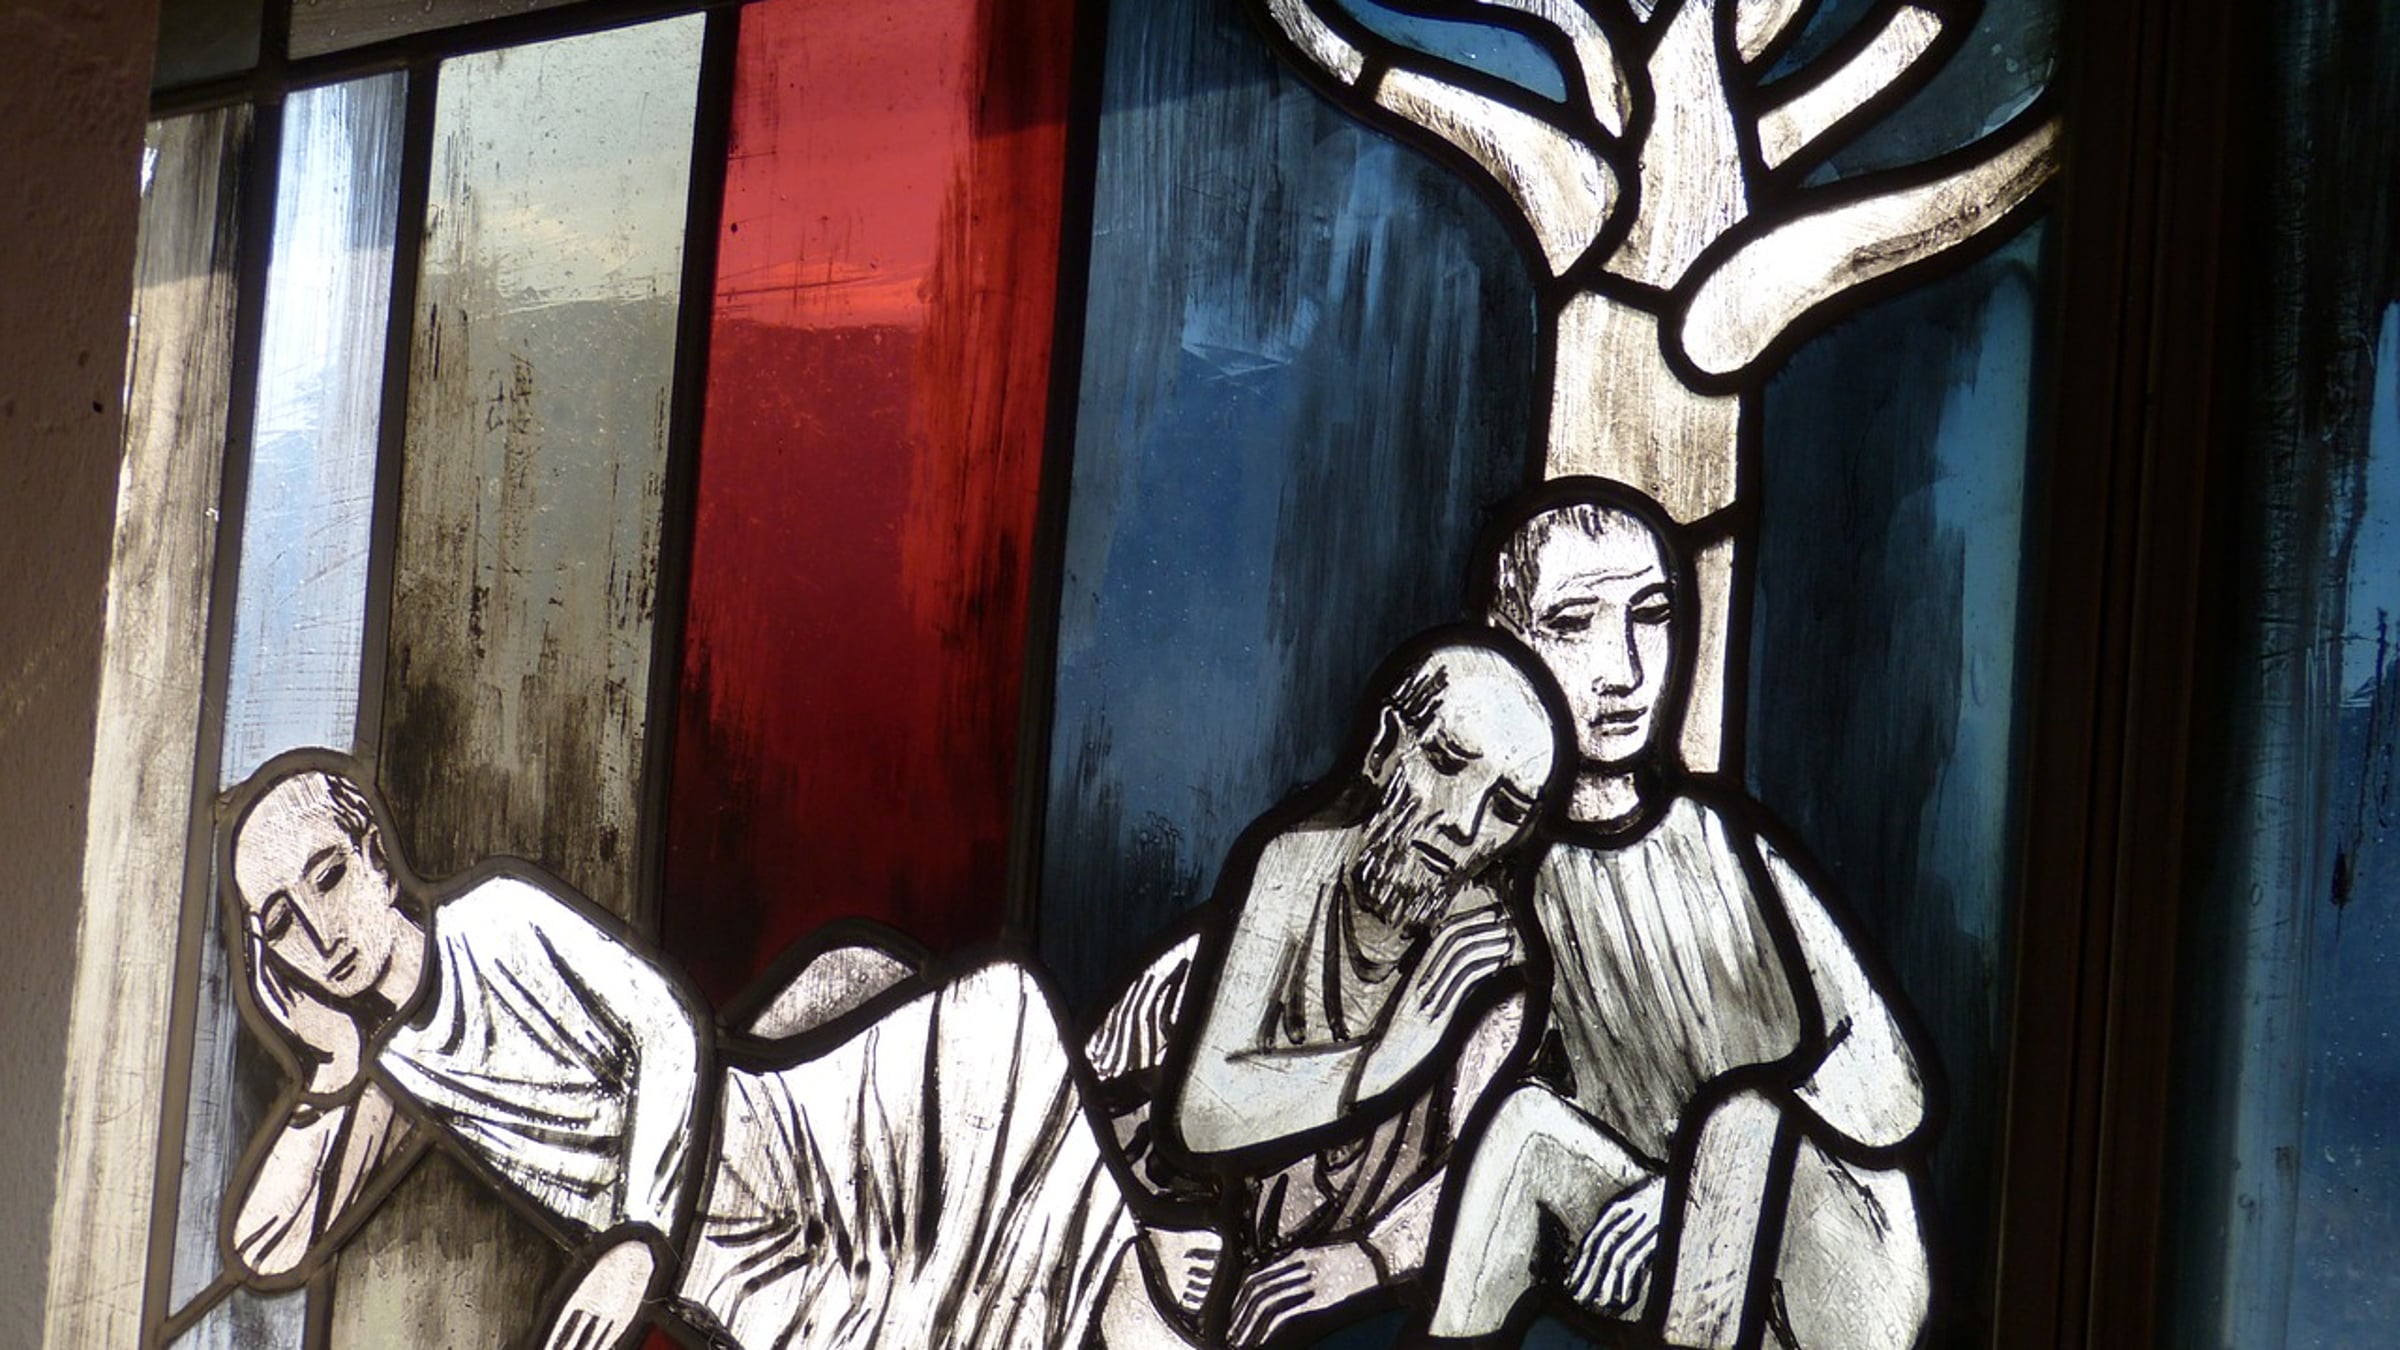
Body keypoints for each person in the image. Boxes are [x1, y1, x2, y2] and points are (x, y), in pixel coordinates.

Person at [216, 757, 1216, 1350]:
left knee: (995, 1022)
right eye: (282, 923)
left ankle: (1132, 1251)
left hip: (770, 1148)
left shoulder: (498, 920)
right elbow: (267, 1249)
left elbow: (663, 1028)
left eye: (327, 876)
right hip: (727, 1271)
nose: (320, 929)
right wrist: (330, 1073)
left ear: (375, 854)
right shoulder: (391, 1076)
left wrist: (635, 1241)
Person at [1417, 481, 1936, 1349]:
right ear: (1509, 644)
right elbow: (1456, 1135)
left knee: (1743, 1119)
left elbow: (1894, 1084)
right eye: (1574, 623)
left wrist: (1700, 1181)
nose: (1623, 669)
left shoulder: (1729, 846)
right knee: (1521, 1131)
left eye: (1652, 615)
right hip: (1657, 1241)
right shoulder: (1507, 884)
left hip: (1838, 1265)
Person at [1082, 634, 1572, 1347]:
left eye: (1506, 807)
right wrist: (1390, 1059)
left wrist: (1367, 1261)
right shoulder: (1295, 866)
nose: (1463, 824)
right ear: (1386, 747)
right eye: (1446, 763)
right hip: (1139, 1194)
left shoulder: (1494, 965)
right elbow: (1201, 1117)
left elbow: (1484, 1175)